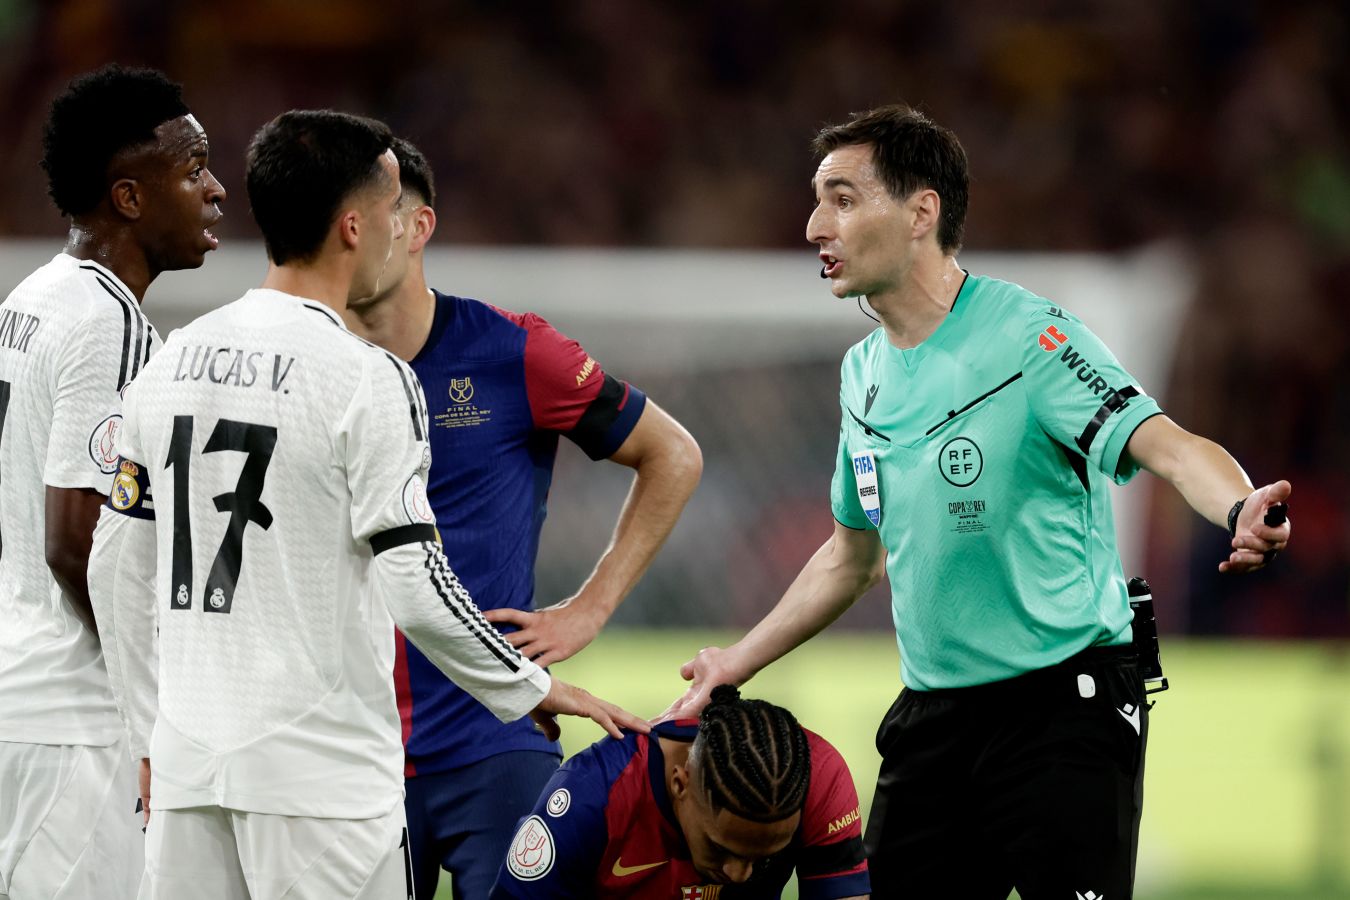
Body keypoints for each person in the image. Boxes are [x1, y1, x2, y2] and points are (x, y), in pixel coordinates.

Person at [666, 105, 1293, 898]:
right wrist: (736, 660)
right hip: (935, 721)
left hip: (1063, 709)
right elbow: (851, 559)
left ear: (921, 211)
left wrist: (1239, 504)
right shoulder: (861, 374)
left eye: (843, 200)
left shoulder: (1034, 339)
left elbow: (1167, 444)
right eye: (819, 202)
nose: (815, 226)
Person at [86, 109, 647, 900]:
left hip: (187, 768)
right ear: (354, 227)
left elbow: (114, 567)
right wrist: (531, 686)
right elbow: (415, 586)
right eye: (390, 209)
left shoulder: (172, 359)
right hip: (320, 784)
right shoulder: (366, 378)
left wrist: (146, 733)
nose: (401, 227)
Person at [341, 138, 702, 899]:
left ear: (417, 226)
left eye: (370, 216)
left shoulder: (513, 352)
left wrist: (590, 606)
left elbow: (673, 454)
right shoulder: (309, 366)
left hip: (496, 733)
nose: (351, 235)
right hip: (348, 747)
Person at [0, 65, 225, 900]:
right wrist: (164, 692)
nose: (216, 191)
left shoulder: (33, 297)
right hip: (75, 716)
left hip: (22, 695)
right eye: (193, 169)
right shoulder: (110, 322)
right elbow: (77, 542)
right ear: (129, 198)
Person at [491, 685, 869, 899]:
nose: (739, 874)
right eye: (720, 848)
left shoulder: (819, 780)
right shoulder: (592, 798)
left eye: (763, 857)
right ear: (679, 783)